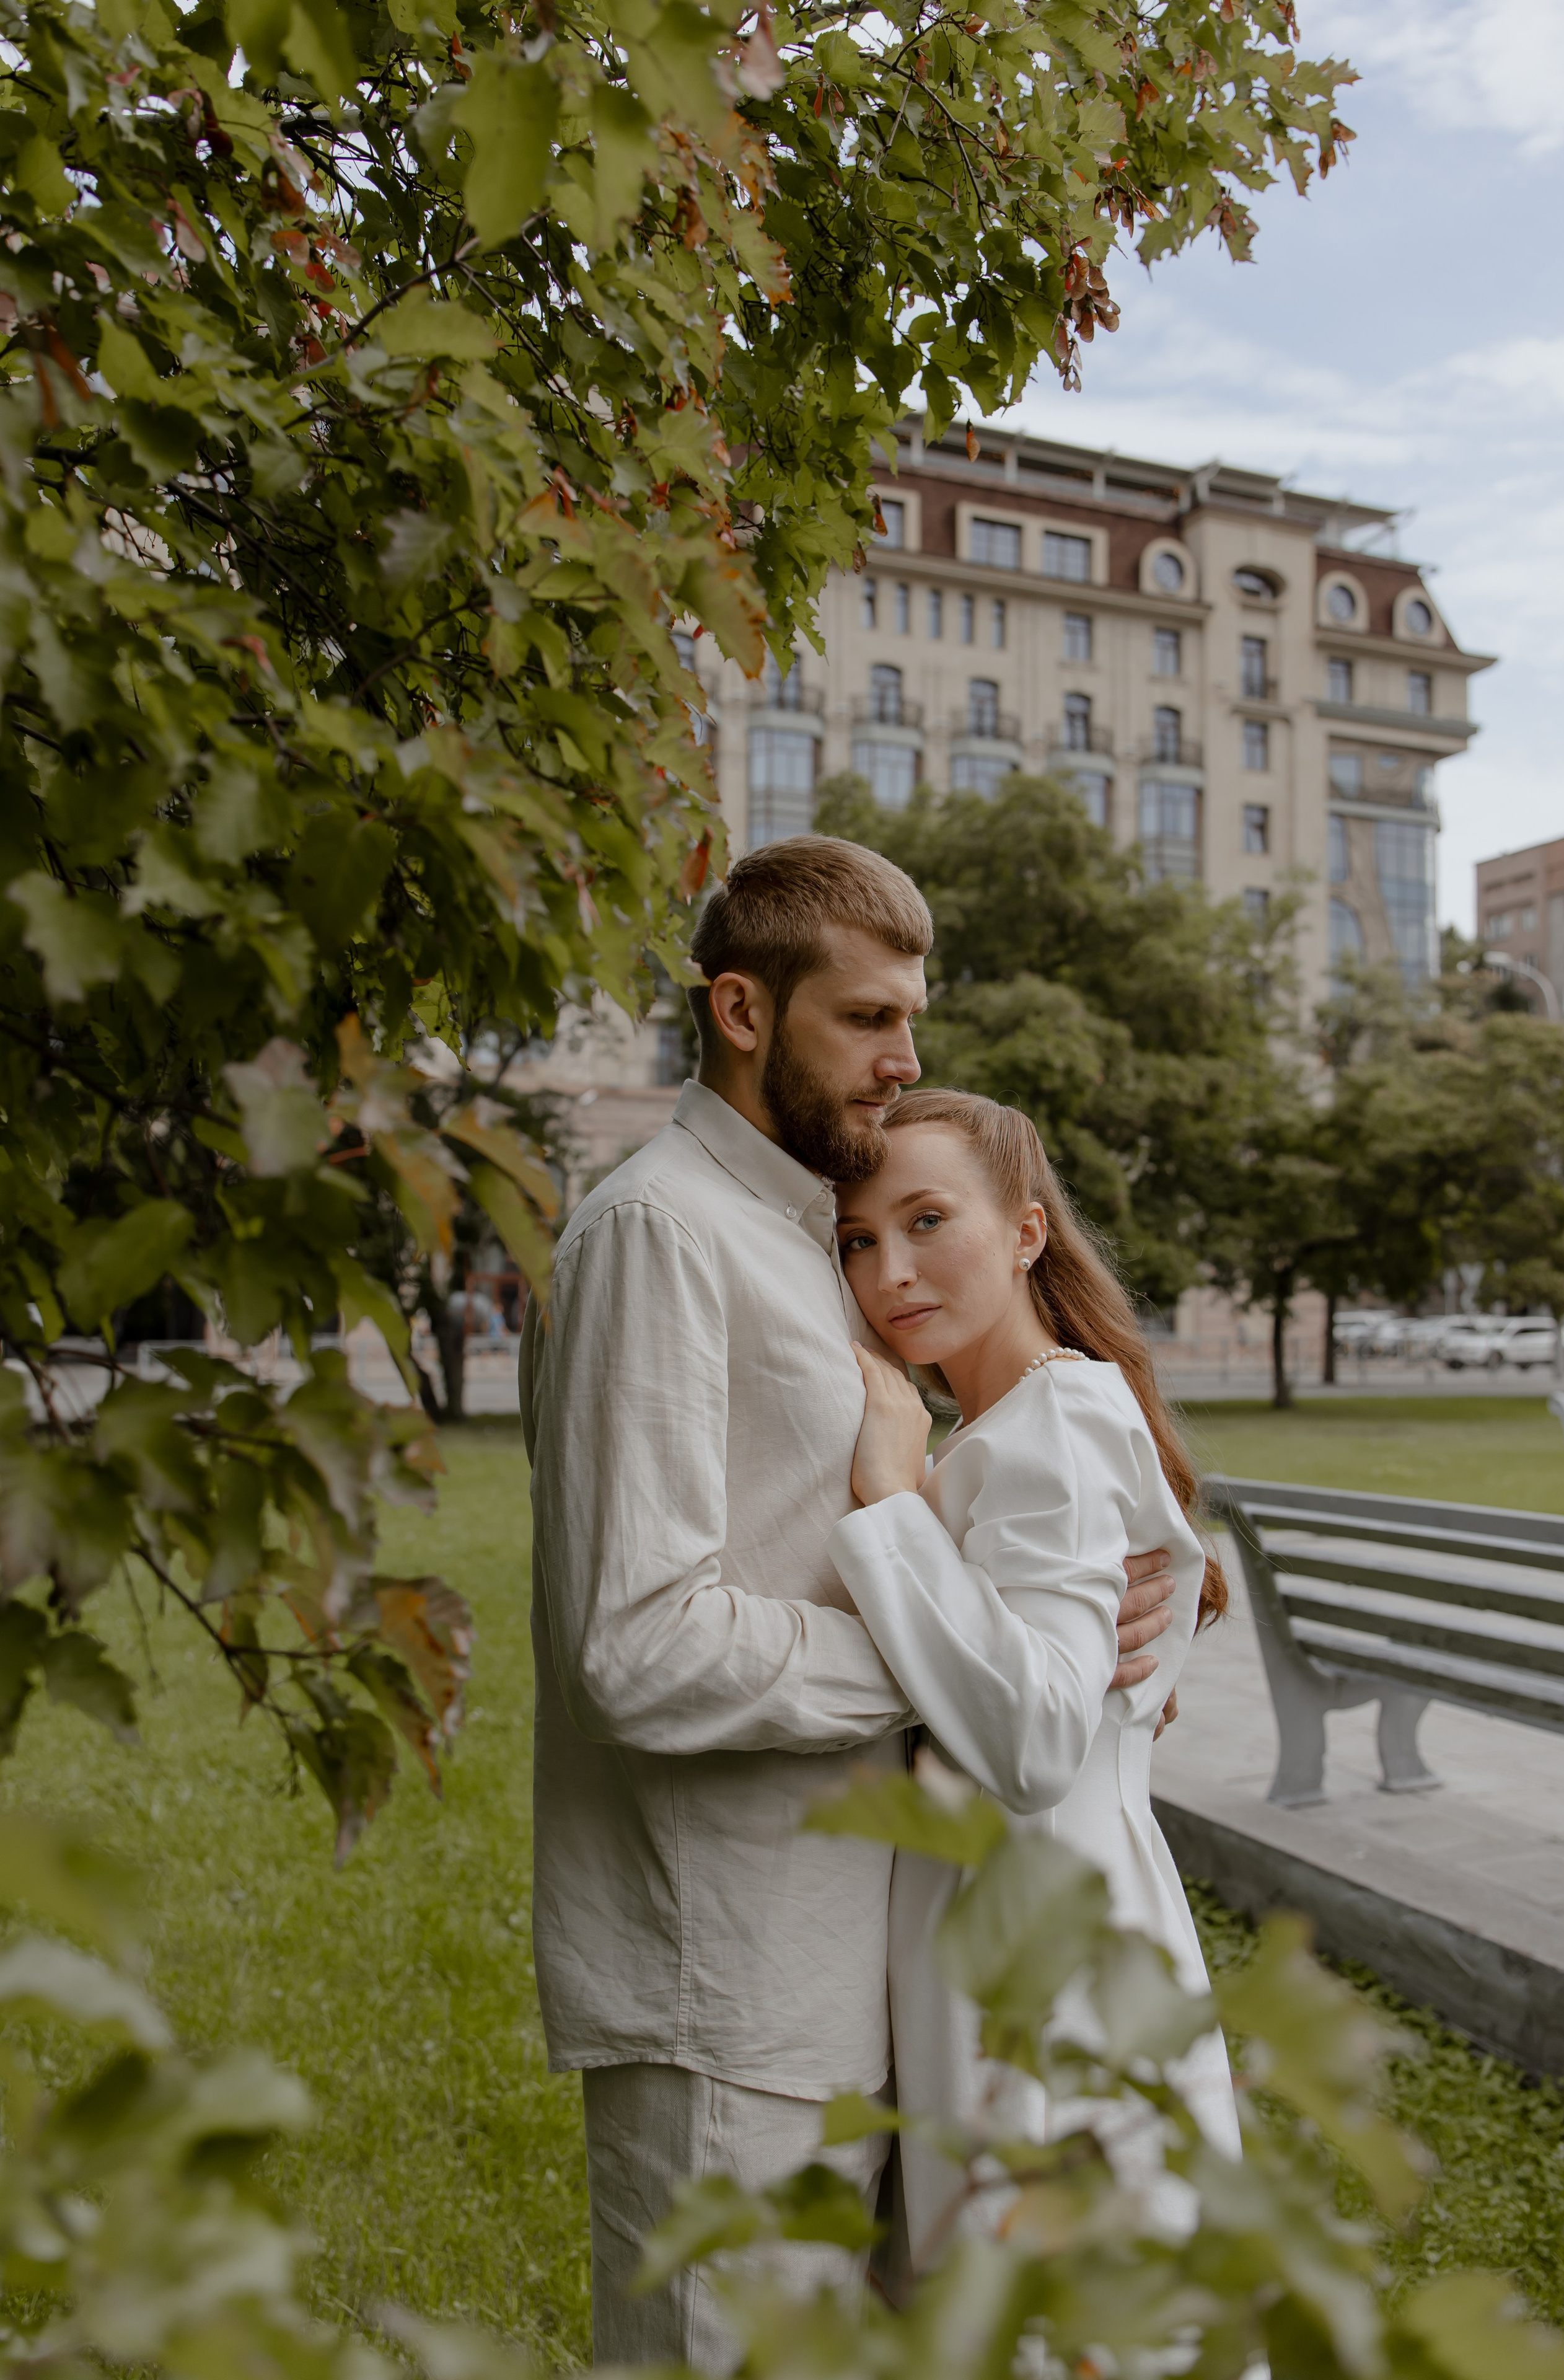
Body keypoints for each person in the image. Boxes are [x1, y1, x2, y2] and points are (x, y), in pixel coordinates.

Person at [522, 839, 1181, 2371]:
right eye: (867, 1020)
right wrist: (979, 1666)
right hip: (725, 1985)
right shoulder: (659, 1233)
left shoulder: (808, 1228)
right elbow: (643, 1647)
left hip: (872, 1967)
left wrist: (1105, 1624)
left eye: (910, 1017)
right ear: (742, 1010)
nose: (907, 1058)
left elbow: (958, 1510)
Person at [825, 1086, 1240, 2267]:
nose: (890, 1269)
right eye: (859, 1239)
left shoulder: (1049, 1421)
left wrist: (896, 1503)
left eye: (927, 1220)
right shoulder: (1014, 1425)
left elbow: (1035, 1742)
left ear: (1025, 1231)